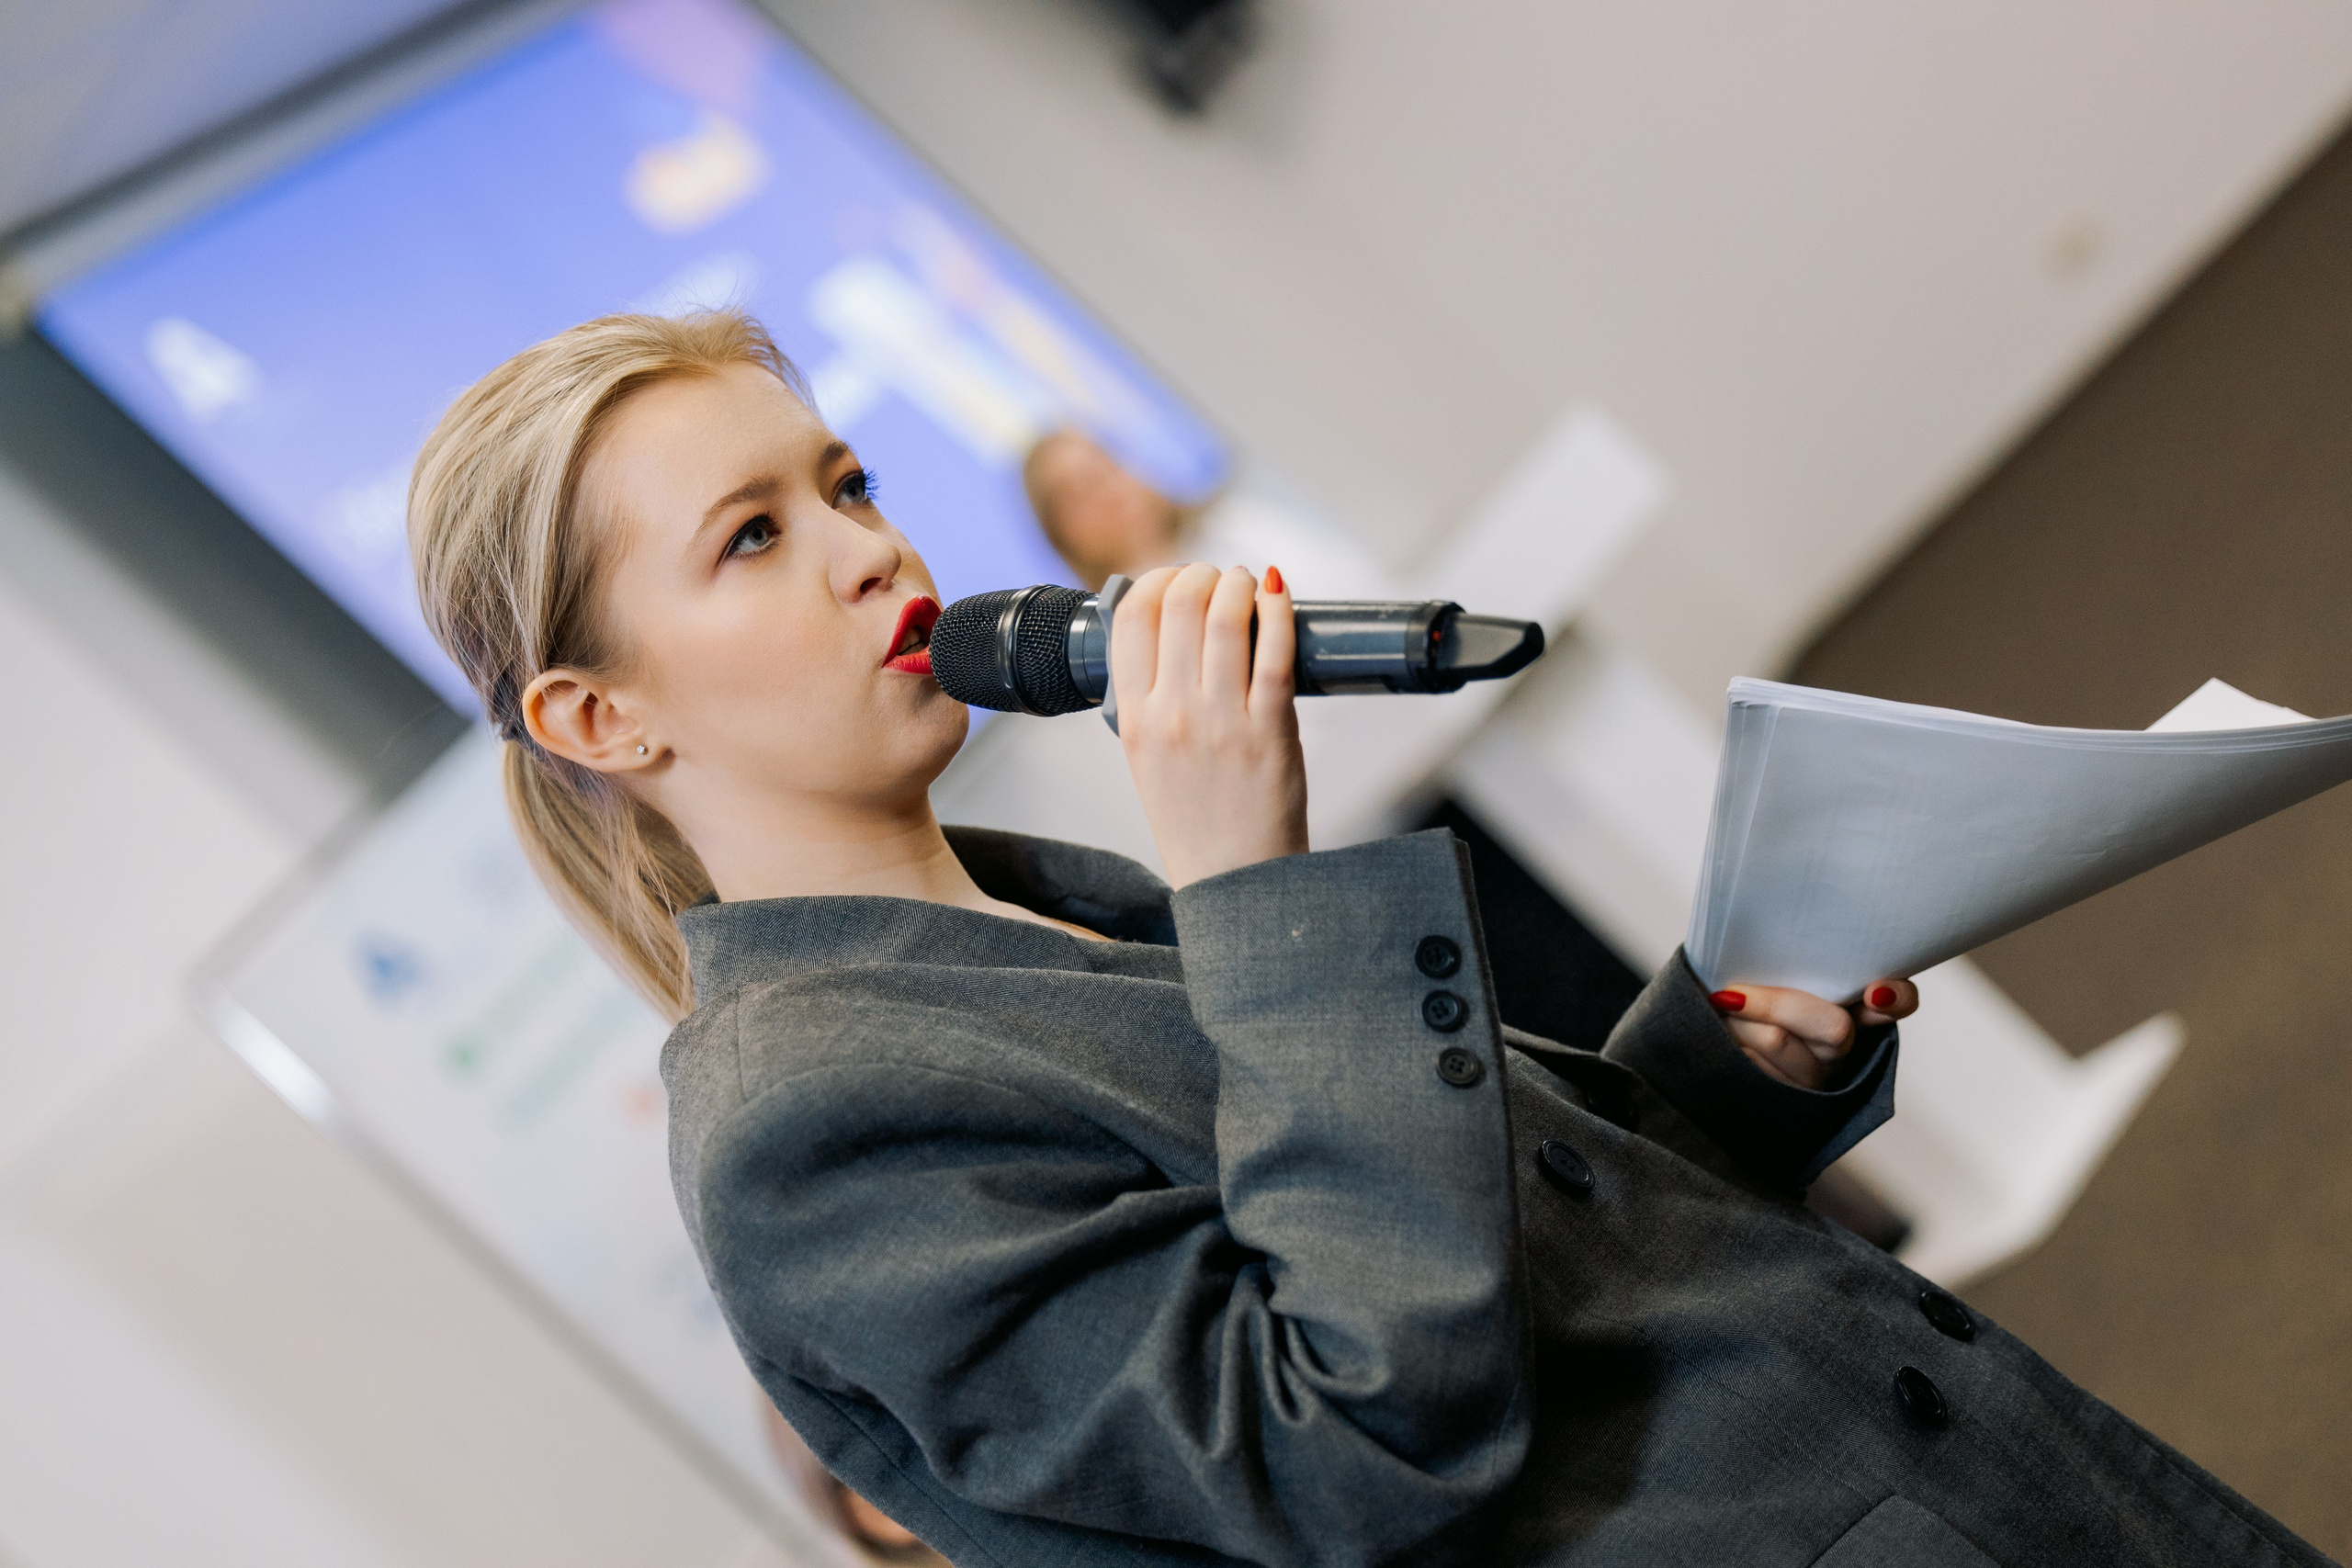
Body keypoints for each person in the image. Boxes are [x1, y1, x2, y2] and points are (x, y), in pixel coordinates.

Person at [407, 310, 2327, 1566]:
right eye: (750, 537)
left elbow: (1516, 1231)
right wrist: (1262, 892)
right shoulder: (804, 1133)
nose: (868, 551)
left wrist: (1732, 1054)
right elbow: (1346, 1443)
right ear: (598, 716)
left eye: (847, 482)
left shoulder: (1040, 910)